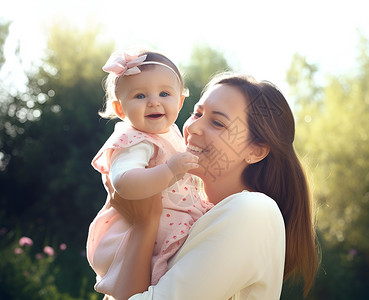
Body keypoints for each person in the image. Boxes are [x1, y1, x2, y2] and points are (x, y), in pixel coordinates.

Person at [114, 73, 319, 300]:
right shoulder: (188, 220)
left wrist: (144, 224)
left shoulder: (253, 211)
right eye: (197, 113)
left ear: (255, 151)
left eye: (218, 123)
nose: (193, 128)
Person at [86, 49, 213, 298]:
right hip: (133, 231)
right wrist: (168, 170)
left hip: (165, 223)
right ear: (120, 109)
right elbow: (123, 182)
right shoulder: (135, 141)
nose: (153, 101)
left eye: (164, 93)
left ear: (179, 101)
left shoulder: (171, 133)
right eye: (140, 95)